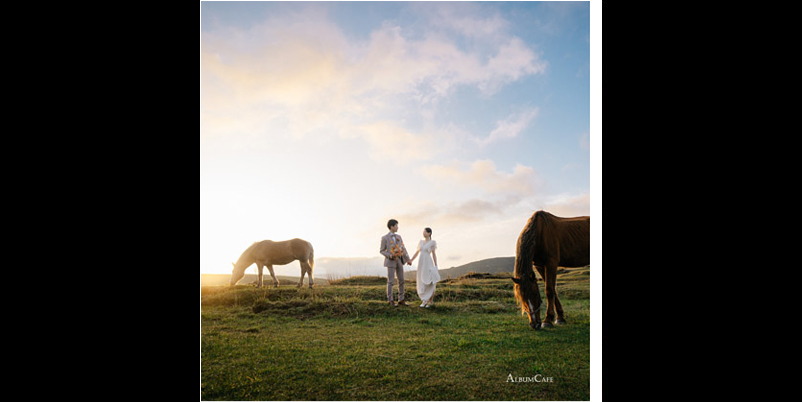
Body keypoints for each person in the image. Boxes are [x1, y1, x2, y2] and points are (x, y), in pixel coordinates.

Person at [380, 219, 411, 306]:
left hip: (399, 260)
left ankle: (401, 299)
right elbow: (382, 250)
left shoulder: (399, 237)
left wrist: (408, 259)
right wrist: (390, 255)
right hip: (390, 261)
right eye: (396, 225)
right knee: (391, 281)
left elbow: (403, 248)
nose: (398, 227)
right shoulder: (385, 238)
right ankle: (390, 300)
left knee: (401, 280)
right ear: (391, 226)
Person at [409, 227, 439, 308]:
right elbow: (417, 252)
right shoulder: (421, 242)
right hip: (421, 263)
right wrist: (411, 260)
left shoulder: (432, 242)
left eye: (425, 232)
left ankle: (430, 301)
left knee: (430, 281)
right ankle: (424, 300)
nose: (423, 233)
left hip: (428, 262)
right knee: (421, 280)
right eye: (423, 232)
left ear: (429, 233)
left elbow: (434, 254)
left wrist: (436, 265)